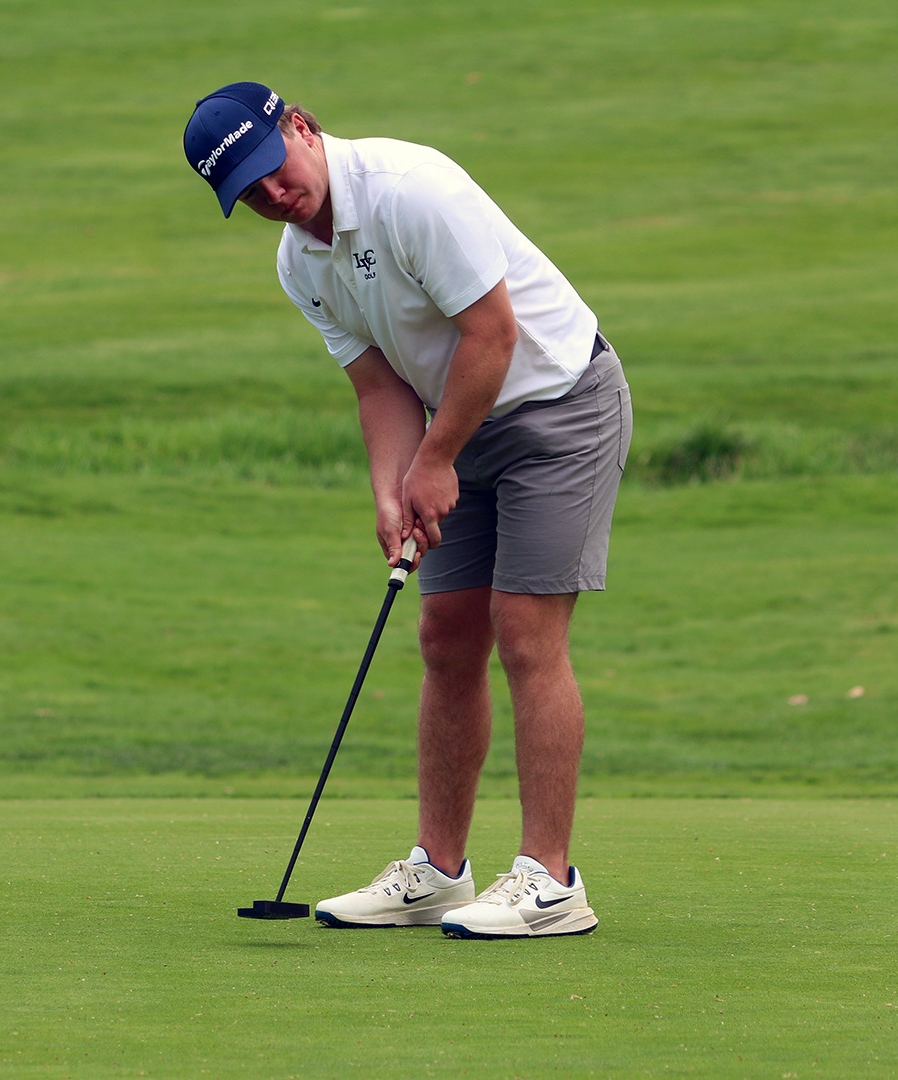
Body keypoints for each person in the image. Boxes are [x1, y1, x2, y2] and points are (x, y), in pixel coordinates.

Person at [183, 83, 632, 939]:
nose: (273, 196)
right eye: (247, 193)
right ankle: (438, 871)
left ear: (301, 128)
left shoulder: (408, 189)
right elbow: (378, 383)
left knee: (525, 631)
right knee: (445, 635)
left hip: (558, 404)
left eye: (272, 170)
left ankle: (551, 881)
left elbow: (492, 335)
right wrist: (391, 491)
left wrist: (434, 461)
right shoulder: (296, 262)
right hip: (461, 426)